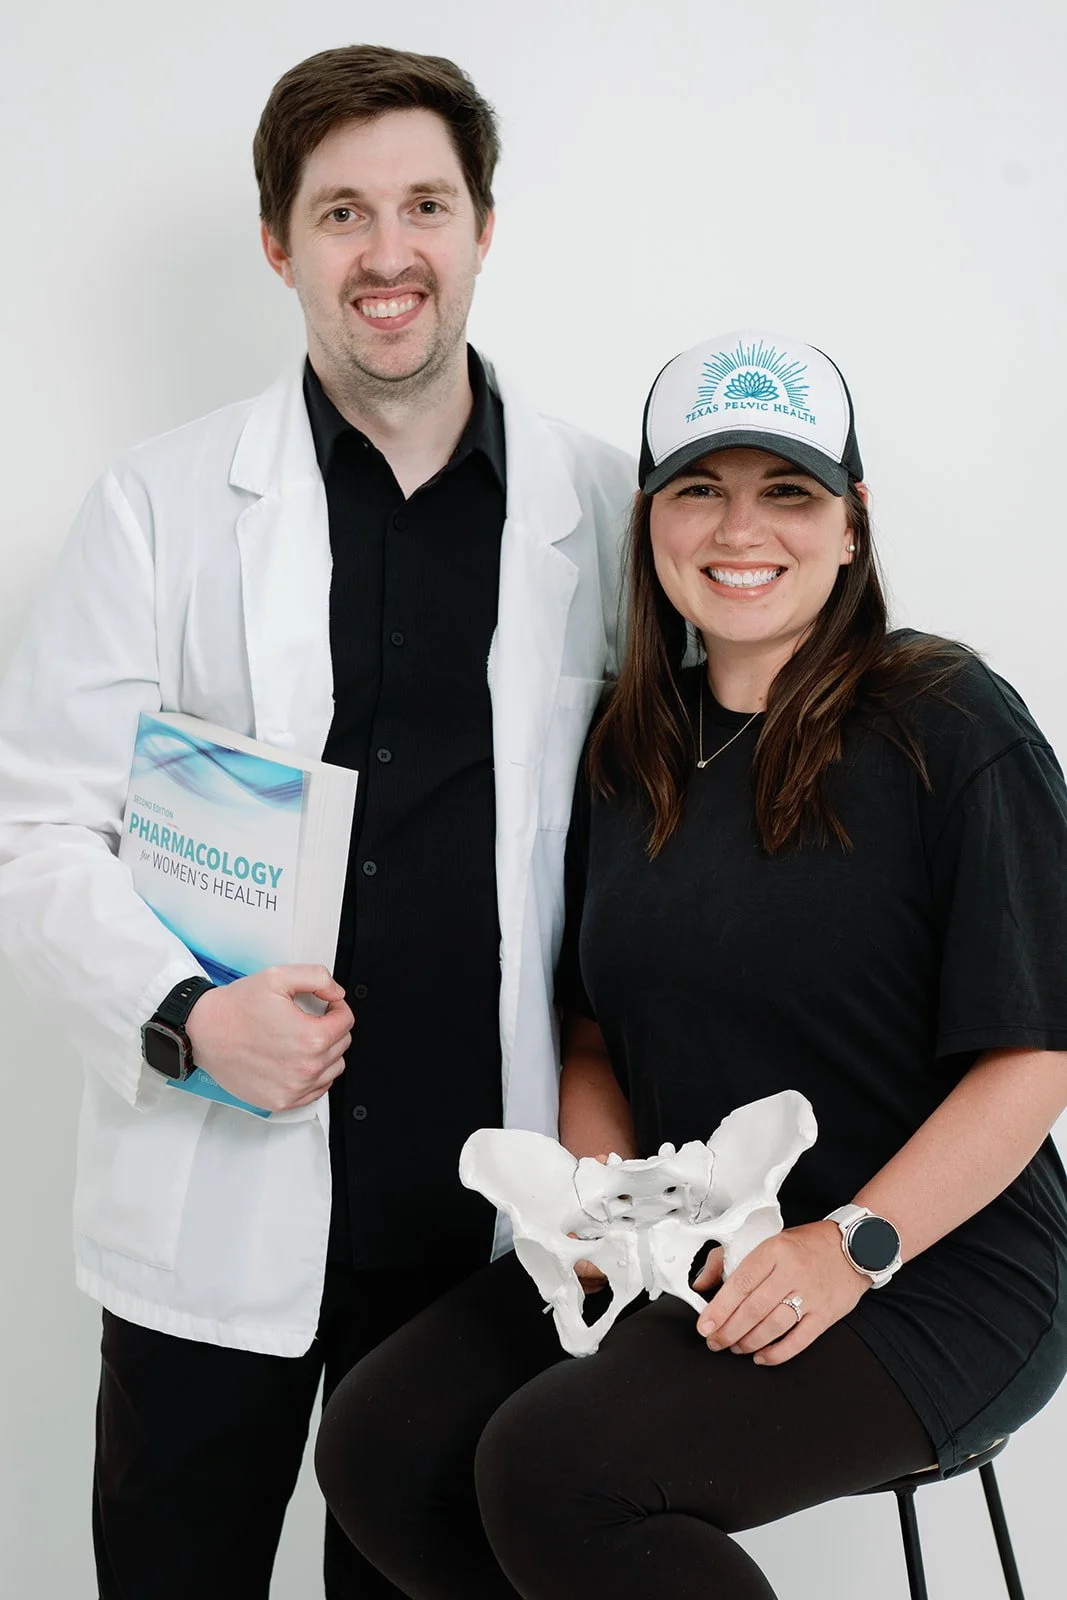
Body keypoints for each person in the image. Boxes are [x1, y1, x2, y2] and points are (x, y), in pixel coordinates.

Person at [0, 44, 633, 1600]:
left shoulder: (607, 512)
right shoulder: (158, 506)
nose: (386, 250)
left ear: (484, 229)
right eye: (341, 212)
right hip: (217, 1180)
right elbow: (36, 826)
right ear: (279, 246)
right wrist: (181, 1014)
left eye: (424, 204)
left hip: (482, 1222)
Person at [313, 328, 1067, 1599]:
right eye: (699, 489)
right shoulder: (629, 747)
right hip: (696, 1238)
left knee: (557, 1470)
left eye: (787, 491)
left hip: (931, 1265)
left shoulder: (943, 719)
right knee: (380, 1445)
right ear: (649, 521)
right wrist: (606, 1218)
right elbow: (591, 1033)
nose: (739, 529)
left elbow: (1032, 1055)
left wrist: (846, 1246)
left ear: (850, 524)